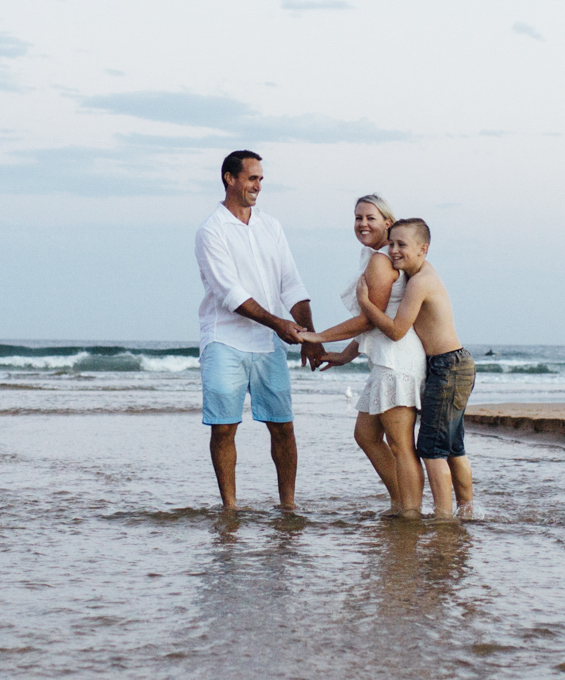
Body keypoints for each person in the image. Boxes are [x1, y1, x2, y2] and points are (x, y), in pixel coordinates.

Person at [192, 149, 319, 510]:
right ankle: (230, 507)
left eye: (261, 179)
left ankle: (288, 505)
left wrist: (310, 335)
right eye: (252, 178)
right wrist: (279, 323)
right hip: (224, 341)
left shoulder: (271, 226)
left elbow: (291, 285)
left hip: (267, 344)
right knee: (224, 428)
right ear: (230, 179)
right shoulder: (211, 230)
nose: (258, 186)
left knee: (282, 426)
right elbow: (230, 294)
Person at [292, 194, 424, 515]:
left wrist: (319, 336)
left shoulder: (380, 261)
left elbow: (369, 318)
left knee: (401, 445)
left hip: (397, 363)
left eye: (370, 218)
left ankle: (411, 512)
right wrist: (343, 356)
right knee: (366, 435)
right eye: (357, 218)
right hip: (386, 361)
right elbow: (375, 324)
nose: (362, 224)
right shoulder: (379, 258)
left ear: (387, 223)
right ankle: (402, 503)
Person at [352, 218, 477, 520]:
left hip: (448, 365)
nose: (394, 250)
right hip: (449, 365)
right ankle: (467, 511)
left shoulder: (421, 281)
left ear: (423, 248)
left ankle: (444, 519)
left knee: (432, 448)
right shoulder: (416, 275)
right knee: (453, 446)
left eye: (401, 245)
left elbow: (396, 330)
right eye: (391, 244)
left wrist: (366, 304)